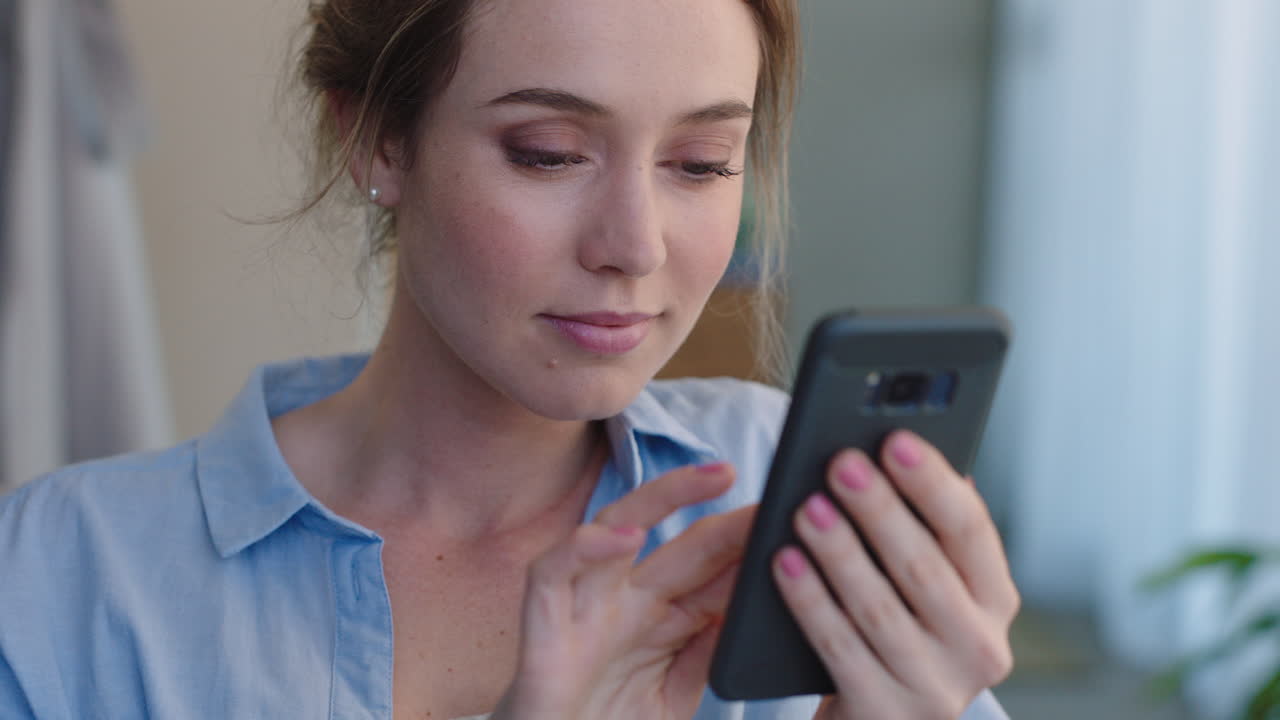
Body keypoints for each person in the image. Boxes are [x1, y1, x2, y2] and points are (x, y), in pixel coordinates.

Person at [0, 0, 1019, 718]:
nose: (633, 245)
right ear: (377, 140)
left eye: (700, 164)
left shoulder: (789, 503)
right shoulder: (55, 577)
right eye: (548, 152)